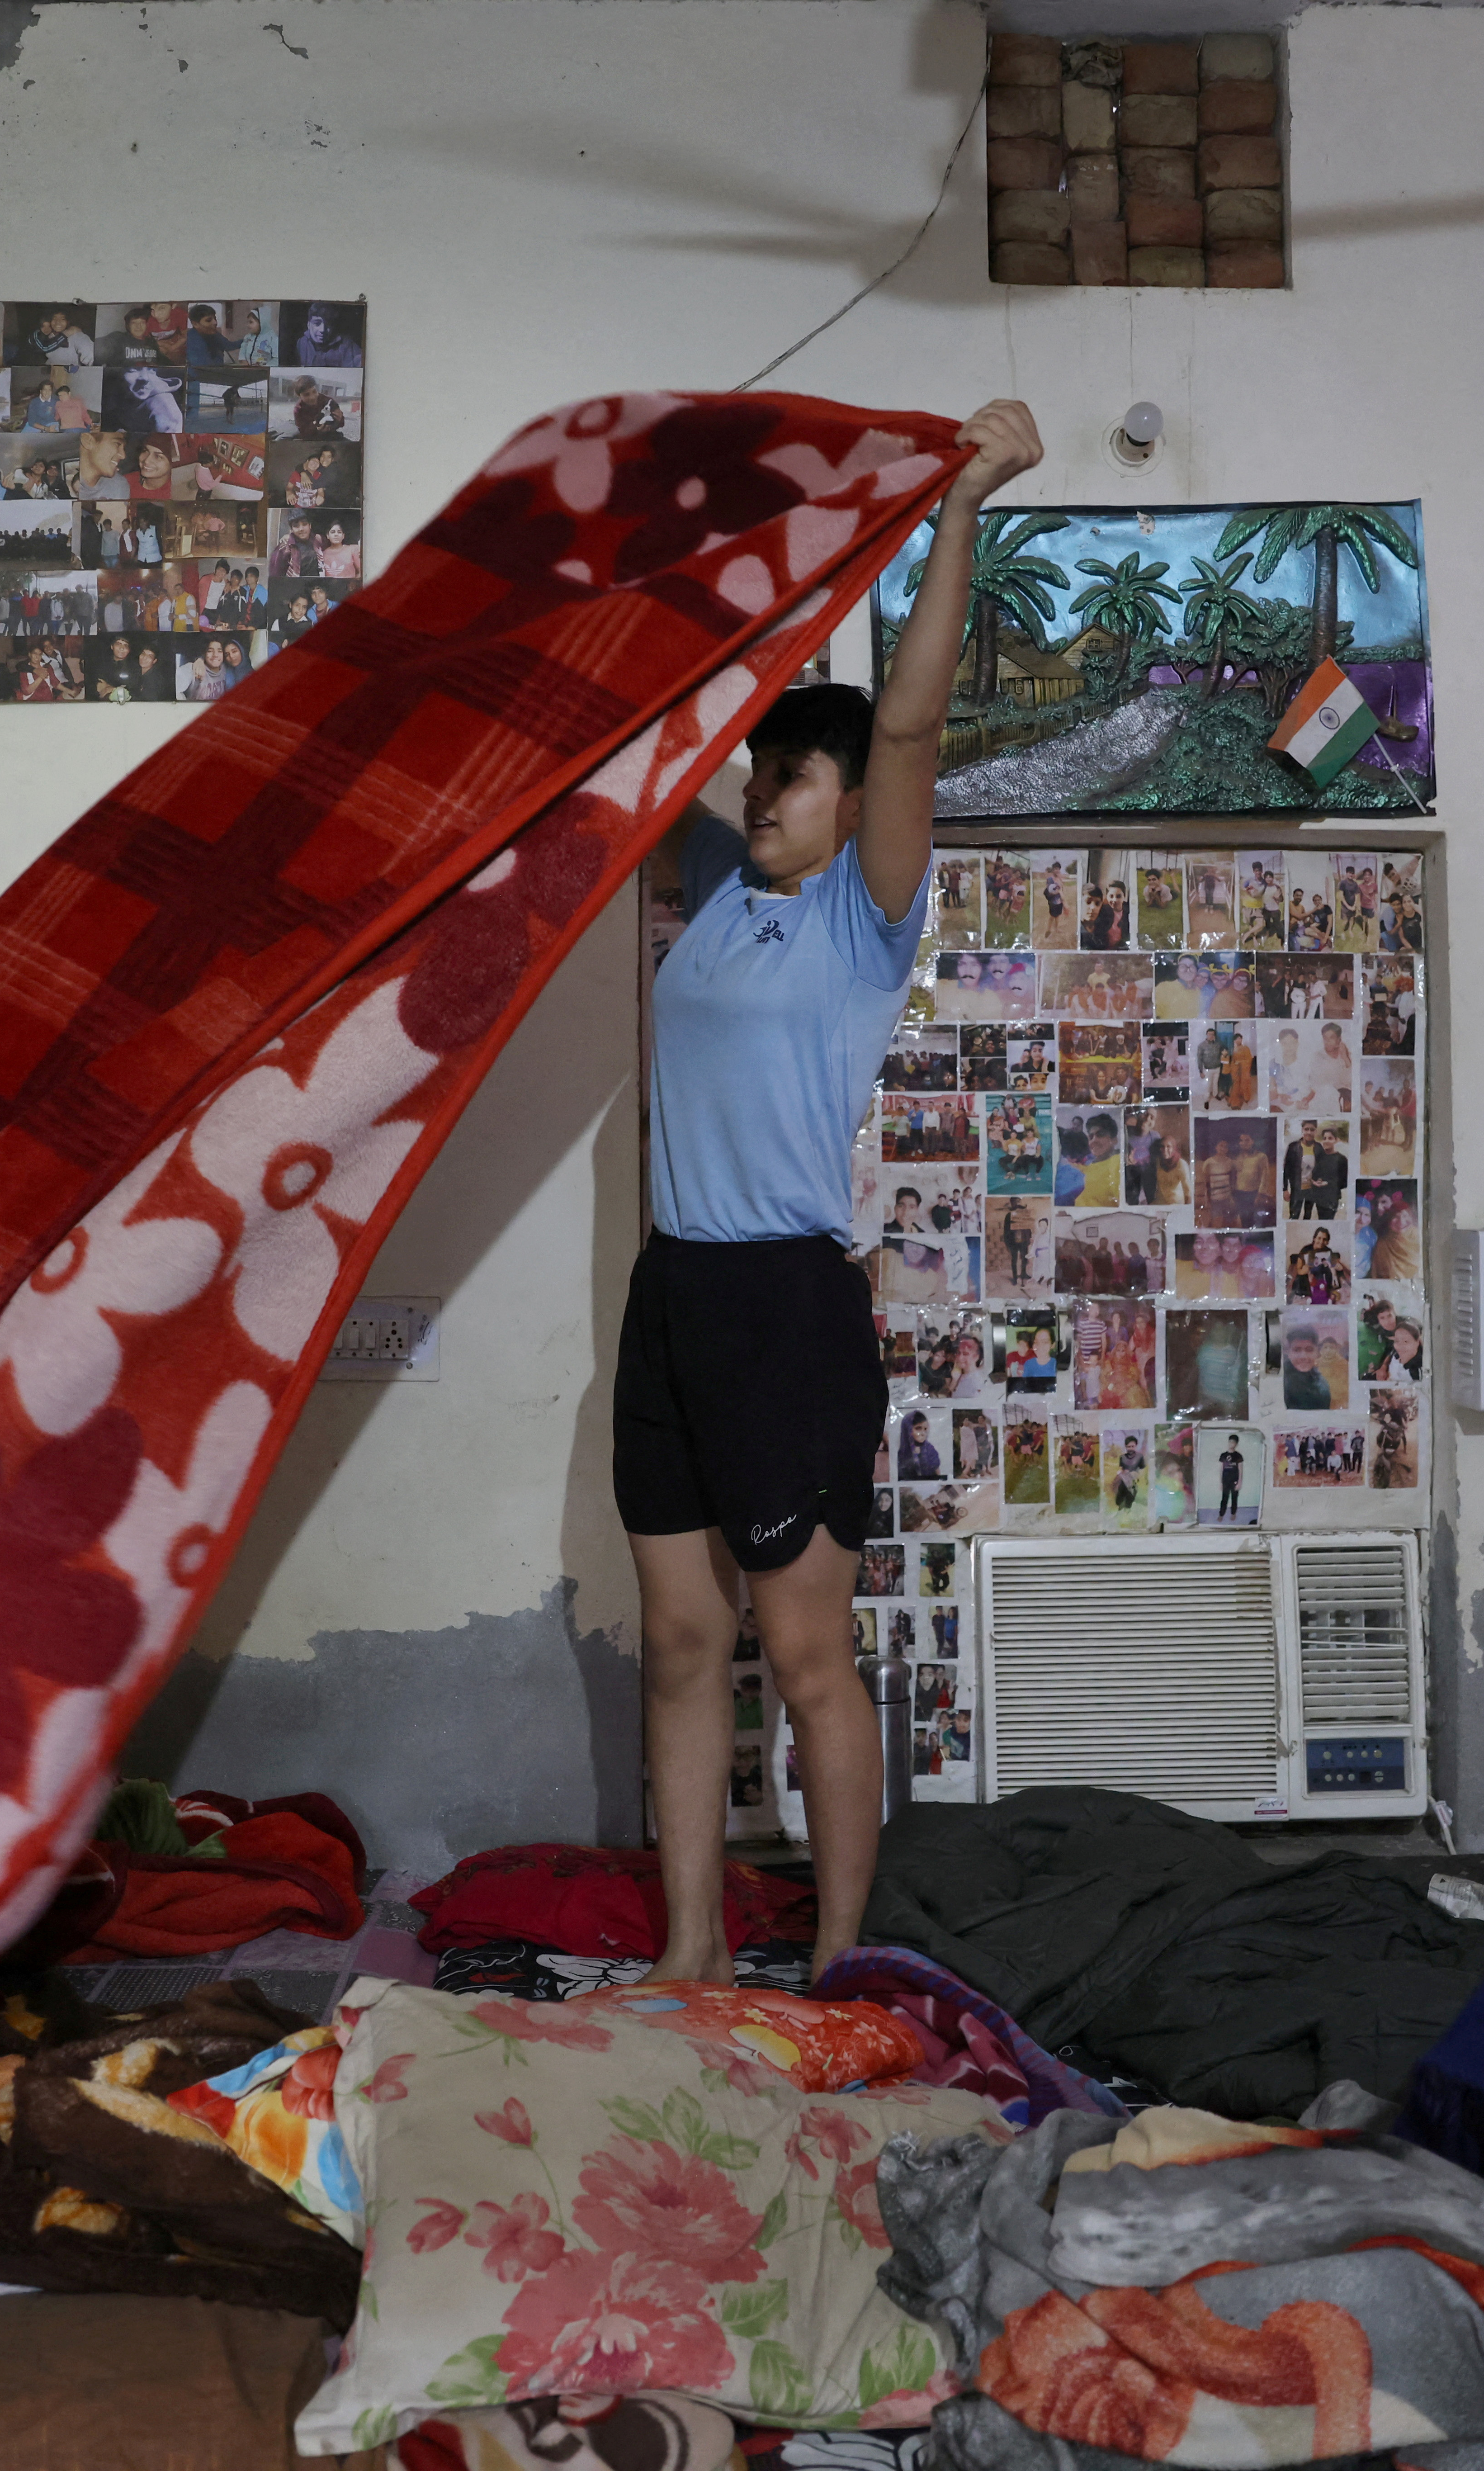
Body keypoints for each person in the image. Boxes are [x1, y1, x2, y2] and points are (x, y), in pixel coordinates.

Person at [623, 399, 1041, 1987]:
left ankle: (842, 1955)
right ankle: (692, 1954)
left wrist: (961, 507)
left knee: (804, 1655)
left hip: (786, 1306)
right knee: (682, 1641)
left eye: (796, 776)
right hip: (673, 1294)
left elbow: (910, 729)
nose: (764, 793)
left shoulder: (862, 917)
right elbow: (665, 727)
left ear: (856, 804)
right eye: (764, 770)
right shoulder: (718, 886)